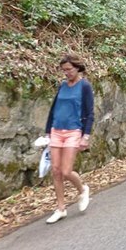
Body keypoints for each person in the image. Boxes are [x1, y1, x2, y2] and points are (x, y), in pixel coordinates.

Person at [42, 54, 95, 224]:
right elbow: (53, 109)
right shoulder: (62, 86)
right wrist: (47, 132)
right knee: (56, 171)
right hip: (56, 130)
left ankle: (83, 189)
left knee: (66, 171)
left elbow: (90, 113)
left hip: (74, 131)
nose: (66, 73)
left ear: (77, 68)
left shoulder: (84, 86)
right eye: (64, 70)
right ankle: (61, 208)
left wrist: (85, 136)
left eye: (69, 69)